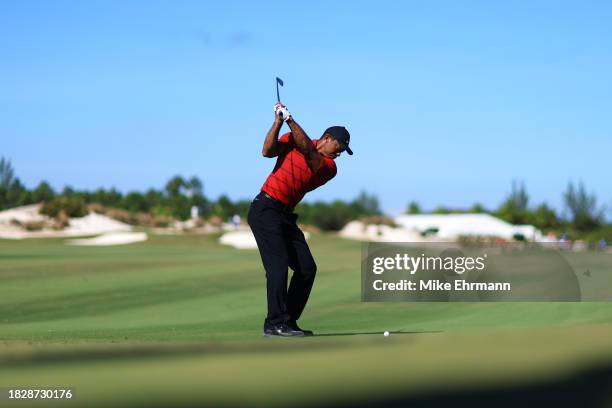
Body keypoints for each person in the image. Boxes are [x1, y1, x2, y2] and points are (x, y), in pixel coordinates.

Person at [248, 102, 353, 337]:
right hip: (265, 208)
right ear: (327, 138)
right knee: (278, 265)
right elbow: (267, 151)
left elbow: (310, 153)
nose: (339, 153)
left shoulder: (329, 167)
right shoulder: (292, 138)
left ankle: (287, 321)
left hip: (284, 215)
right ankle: (274, 323)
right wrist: (278, 121)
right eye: (339, 146)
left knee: (307, 268)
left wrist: (290, 119)